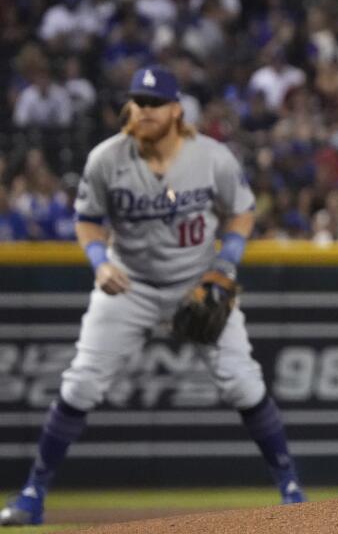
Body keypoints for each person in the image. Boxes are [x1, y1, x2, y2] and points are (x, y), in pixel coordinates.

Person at [0, 66, 306, 527]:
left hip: (199, 281)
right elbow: (87, 219)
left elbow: (241, 213)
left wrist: (226, 265)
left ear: (176, 109)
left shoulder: (211, 157)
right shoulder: (107, 158)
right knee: (80, 382)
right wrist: (99, 261)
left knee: (244, 382)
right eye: (137, 103)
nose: (143, 111)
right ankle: (32, 495)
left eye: (154, 103)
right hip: (130, 285)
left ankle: (292, 489)